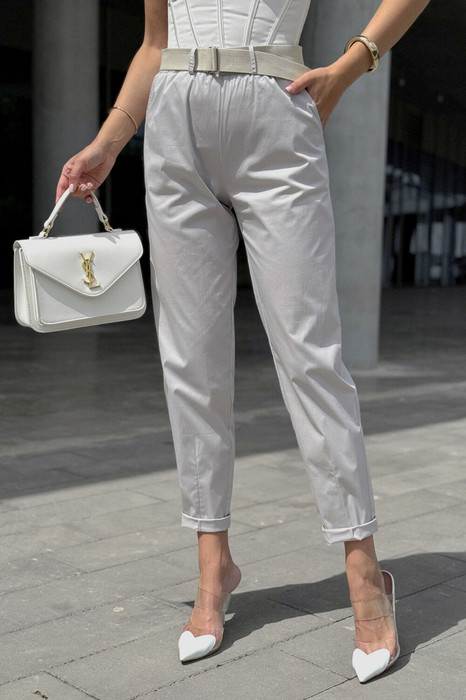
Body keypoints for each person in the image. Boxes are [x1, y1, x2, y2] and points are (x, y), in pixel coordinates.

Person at [56, 0, 430, 683]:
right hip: (173, 121)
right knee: (190, 359)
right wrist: (109, 140)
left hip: (275, 110)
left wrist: (353, 64)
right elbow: (154, 44)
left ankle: (366, 574)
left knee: (310, 356)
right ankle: (213, 570)